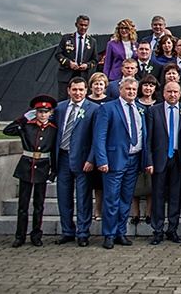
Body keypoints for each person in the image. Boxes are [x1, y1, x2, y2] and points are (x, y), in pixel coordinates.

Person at [94, 76, 150, 249]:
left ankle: (120, 232)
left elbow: (143, 135)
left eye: (134, 89)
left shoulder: (140, 109)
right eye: (128, 89)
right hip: (114, 160)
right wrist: (102, 159)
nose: (131, 92)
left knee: (126, 198)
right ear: (120, 90)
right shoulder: (108, 108)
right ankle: (109, 234)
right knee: (111, 198)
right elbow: (100, 136)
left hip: (134, 159)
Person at [3, 94, 58, 247]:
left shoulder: (53, 129)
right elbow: (8, 131)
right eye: (39, 112)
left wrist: (53, 172)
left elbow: (54, 152)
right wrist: (24, 118)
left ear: (50, 113)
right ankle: (20, 235)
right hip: (26, 167)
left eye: (46, 112)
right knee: (23, 205)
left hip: (42, 167)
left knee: (39, 205)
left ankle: (36, 235)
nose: (42, 115)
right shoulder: (27, 126)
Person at [53, 78, 99, 247]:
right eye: (74, 89)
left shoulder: (93, 109)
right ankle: (67, 231)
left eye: (81, 90)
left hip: (83, 159)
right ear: (69, 90)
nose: (78, 93)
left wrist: (91, 159)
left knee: (83, 198)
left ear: (86, 90)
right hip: (63, 157)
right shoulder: (59, 108)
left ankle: (83, 232)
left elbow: (97, 137)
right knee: (63, 197)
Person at [146, 81, 181, 244]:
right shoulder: (153, 111)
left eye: (175, 92)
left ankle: (172, 229)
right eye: (169, 91)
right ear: (163, 93)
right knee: (158, 194)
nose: (172, 95)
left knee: (175, 195)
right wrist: (148, 161)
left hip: (178, 158)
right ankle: (158, 230)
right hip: (159, 159)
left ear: (180, 93)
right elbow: (148, 139)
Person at [130, 75, 158, 227]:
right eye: (145, 85)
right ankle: (136, 212)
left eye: (151, 85)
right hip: (136, 146)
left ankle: (148, 211)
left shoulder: (158, 105)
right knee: (136, 181)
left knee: (149, 181)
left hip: (152, 146)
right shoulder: (135, 105)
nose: (148, 88)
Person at [86, 72, 112, 221]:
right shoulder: (86, 101)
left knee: (102, 183)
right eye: (96, 83)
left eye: (101, 84)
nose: (98, 86)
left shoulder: (109, 102)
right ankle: (93, 211)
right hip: (88, 143)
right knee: (92, 182)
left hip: (104, 146)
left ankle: (101, 210)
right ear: (91, 86)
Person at [55, 15, 98, 100]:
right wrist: (69, 63)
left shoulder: (92, 41)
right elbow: (58, 54)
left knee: (80, 99)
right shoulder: (66, 38)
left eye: (86, 25)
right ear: (76, 25)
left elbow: (95, 59)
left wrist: (87, 65)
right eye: (81, 25)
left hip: (83, 75)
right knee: (63, 99)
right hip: (66, 74)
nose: (83, 27)